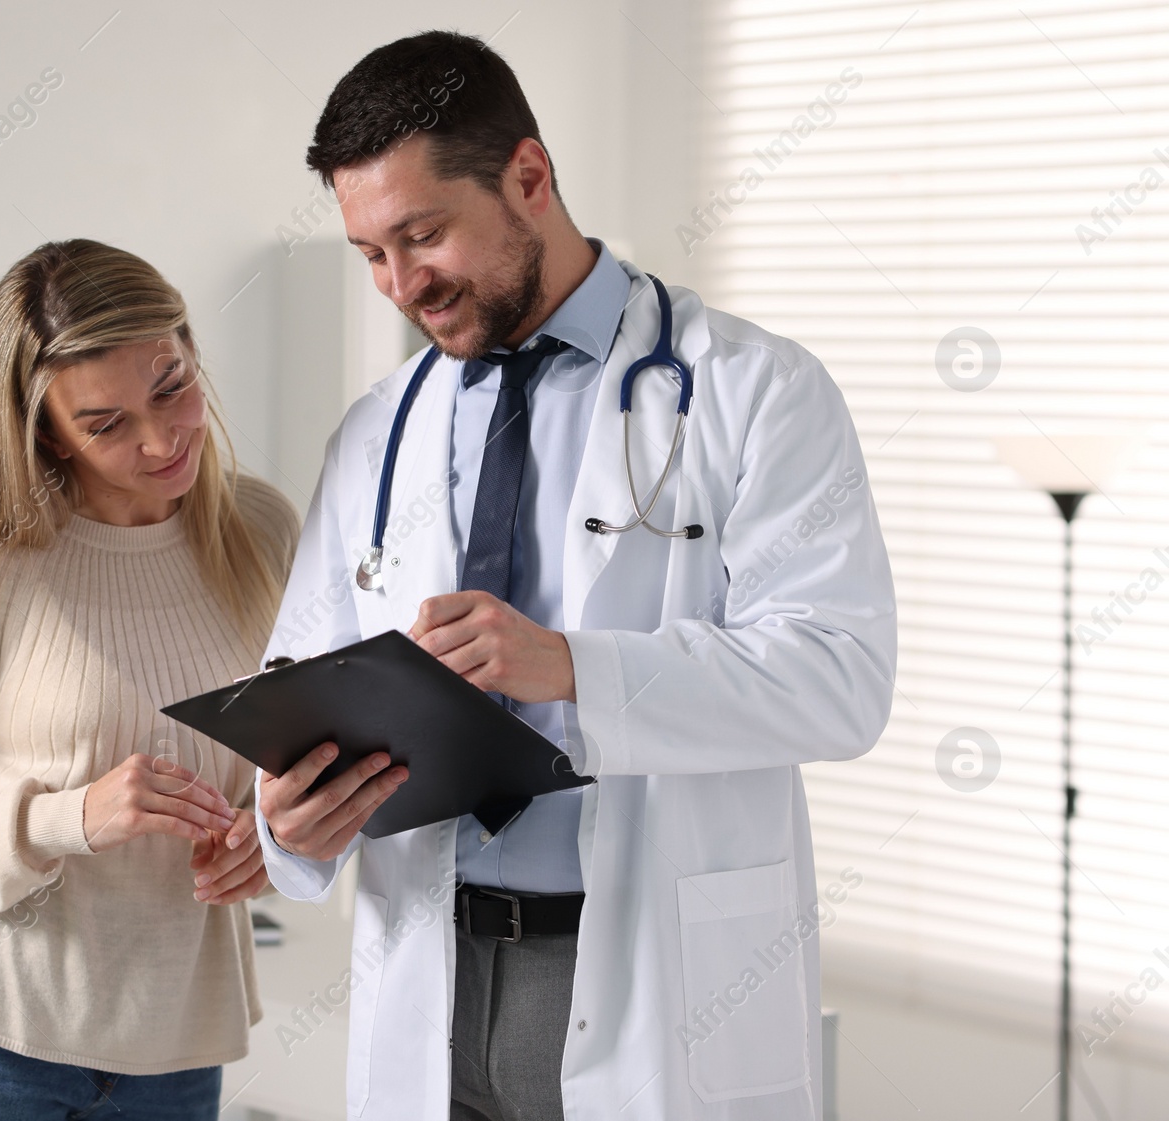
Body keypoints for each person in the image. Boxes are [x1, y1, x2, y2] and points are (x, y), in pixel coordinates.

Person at [253, 31, 897, 1121]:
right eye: (370, 252)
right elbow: (302, 671)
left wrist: (570, 666)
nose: (402, 286)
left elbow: (842, 678)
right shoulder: (379, 430)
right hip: (431, 975)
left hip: (645, 978)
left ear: (529, 179)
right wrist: (289, 817)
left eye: (422, 235)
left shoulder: (753, 389)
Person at [0, 239, 300, 1121]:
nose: (161, 439)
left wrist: (269, 840)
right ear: (45, 426)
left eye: (171, 386)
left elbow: (301, 763)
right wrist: (68, 818)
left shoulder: (263, 532)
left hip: (174, 1052)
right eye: (105, 422)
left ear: (191, 350)